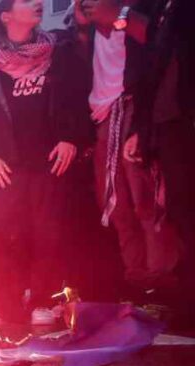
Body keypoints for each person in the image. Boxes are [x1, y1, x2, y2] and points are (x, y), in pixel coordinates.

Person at [0, 0, 90, 325]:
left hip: (47, 161)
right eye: (26, 0)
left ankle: (44, 300)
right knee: (0, 234)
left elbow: (74, 99)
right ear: (6, 16)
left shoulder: (56, 54)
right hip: (5, 165)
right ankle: (2, 303)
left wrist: (69, 137)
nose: (38, 3)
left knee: (48, 232)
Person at [73, 0, 181, 305]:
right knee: (115, 204)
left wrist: (139, 128)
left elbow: (159, 49)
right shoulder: (90, 26)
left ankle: (163, 283)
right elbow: (82, 65)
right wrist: (84, 25)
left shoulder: (142, 9)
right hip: (104, 117)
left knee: (146, 202)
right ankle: (137, 280)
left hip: (134, 109)